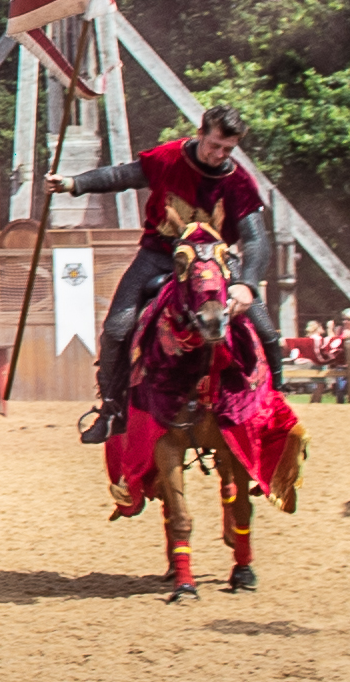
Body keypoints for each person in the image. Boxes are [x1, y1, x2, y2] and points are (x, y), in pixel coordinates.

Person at [56, 105, 274, 441]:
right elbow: (120, 176)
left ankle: (272, 407)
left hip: (214, 263)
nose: (218, 155)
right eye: (213, 145)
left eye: (227, 150)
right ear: (200, 133)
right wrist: (73, 183)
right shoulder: (169, 158)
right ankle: (111, 410)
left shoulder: (239, 182)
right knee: (117, 329)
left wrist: (246, 285)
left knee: (266, 332)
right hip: (159, 256)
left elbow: (257, 239)